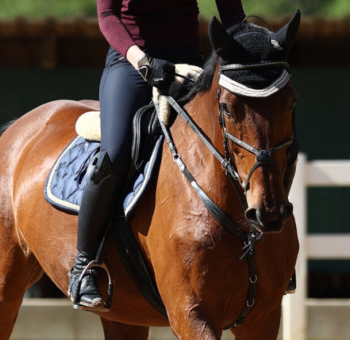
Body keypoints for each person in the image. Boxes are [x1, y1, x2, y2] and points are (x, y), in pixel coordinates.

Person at [69, 0, 248, 309]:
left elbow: (232, 12)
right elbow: (108, 15)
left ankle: (261, 251)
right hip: (132, 63)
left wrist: (247, 52)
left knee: (238, 140)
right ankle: (84, 264)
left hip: (190, 64)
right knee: (118, 151)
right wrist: (144, 62)